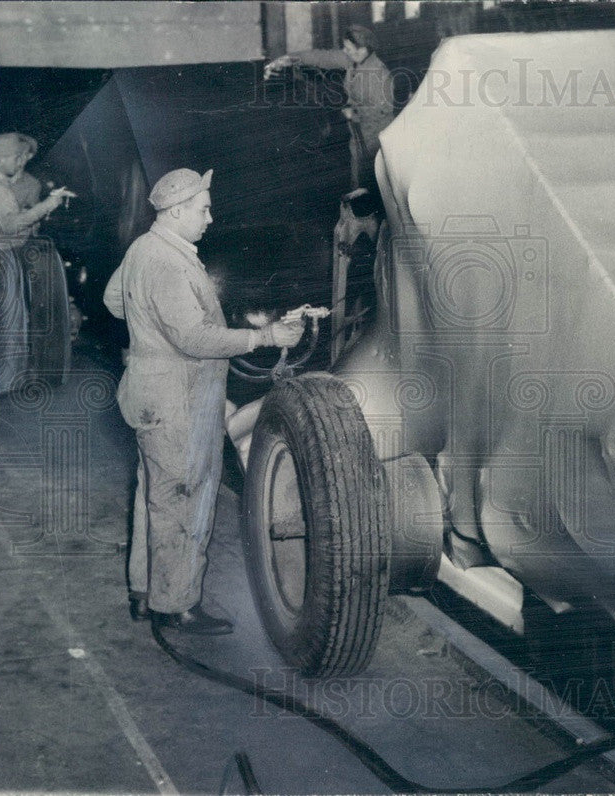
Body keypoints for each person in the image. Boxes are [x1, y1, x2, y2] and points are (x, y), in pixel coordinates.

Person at [103, 167, 304, 635]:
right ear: (176, 211)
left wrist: (148, 329)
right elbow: (194, 337)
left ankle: (144, 593)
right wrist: (266, 336)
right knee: (185, 499)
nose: (210, 218)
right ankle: (178, 606)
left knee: (155, 496)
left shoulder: (144, 248)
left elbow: (115, 300)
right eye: (203, 209)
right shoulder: (168, 262)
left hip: (150, 392)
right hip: (178, 401)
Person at [0, 132, 75, 395]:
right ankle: (1, 384)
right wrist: (49, 204)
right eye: (17, 159)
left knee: (8, 320)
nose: (21, 164)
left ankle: (2, 381)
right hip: (1, 254)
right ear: (4, 158)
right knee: (7, 322)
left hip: (0, 255)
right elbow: (10, 225)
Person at [264, 24, 395, 189]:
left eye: (347, 48)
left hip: (377, 139)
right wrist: (287, 59)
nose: (344, 51)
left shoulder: (380, 75)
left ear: (362, 50)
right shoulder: (353, 59)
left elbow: (383, 111)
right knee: (360, 184)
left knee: (376, 186)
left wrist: (354, 113)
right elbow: (321, 57)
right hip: (358, 135)